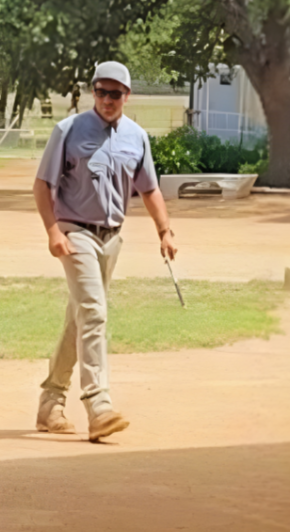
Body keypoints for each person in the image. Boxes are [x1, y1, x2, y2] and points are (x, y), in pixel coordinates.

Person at [32, 61, 179, 442]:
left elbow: (149, 188)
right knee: (95, 312)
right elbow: (42, 185)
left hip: (112, 237)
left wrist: (164, 231)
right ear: (92, 92)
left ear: (127, 96)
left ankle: (50, 402)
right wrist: (52, 231)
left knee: (80, 318)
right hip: (75, 232)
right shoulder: (68, 130)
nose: (107, 100)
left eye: (115, 93)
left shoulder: (137, 137)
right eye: (101, 92)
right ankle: (99, 406)